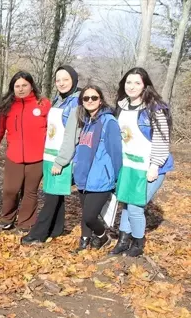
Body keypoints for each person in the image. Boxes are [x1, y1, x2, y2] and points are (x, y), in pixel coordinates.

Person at [111, 67, 173, 257]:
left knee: (136, 205)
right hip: (129, 166)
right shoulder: (121, 107)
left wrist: (155, 165)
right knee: (127, 204)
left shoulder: (155, 109)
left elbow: (162, 139)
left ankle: (138, 242)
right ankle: (123, 240)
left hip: (150, 167)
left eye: (137, 82)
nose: (132, 86)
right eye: (129, 82)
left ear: (145, 85)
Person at [22, 66, 81, 244]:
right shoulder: (59, 99)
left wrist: (61, 161)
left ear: (74, 80)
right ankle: (57, 229)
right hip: (50, 154)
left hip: (62, 157)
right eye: (58, 80)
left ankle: (38, 234)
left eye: (66, 79)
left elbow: (72, 135)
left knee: (51, 197)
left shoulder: (76, 103)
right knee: (56, 194)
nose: (61, 83)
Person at [0, 71, 51, 231]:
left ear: (31, 85)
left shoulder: (43, 104)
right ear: (12, 88)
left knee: (30, 191)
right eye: (17, 86)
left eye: (24, 85)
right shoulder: (7, 106)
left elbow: (52, 130)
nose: (21, 89)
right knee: (10, 190)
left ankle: (26, 223)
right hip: (14, 156)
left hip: (37, 157)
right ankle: (7, 218)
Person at [72, 85, 122, 251]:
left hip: (101, 177)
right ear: (82, 102)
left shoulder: (109, 122)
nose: (90, 101)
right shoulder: (87, 122)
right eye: (86, 98)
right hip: (83, 176)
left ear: (100, 100)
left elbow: (116, 153)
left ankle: (103, 236)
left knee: (90, 215)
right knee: (85, 214)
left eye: (94, 97)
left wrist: (116, 178)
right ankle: (84, 239)